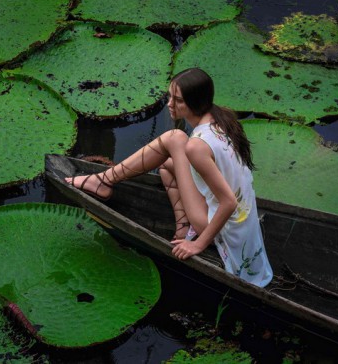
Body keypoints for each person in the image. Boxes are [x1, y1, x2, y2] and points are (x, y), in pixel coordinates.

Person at [66, 68, 273, 287]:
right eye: (170, 97)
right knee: (166, 166)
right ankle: (182, 228)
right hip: (241, 222)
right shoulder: (222, 118)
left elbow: (228, 202)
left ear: (195, 102)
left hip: (221, 227)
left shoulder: (196, 146)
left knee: (175, 138)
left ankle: (103, 181)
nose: (170, 104)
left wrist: (198, 245)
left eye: (178, 100)